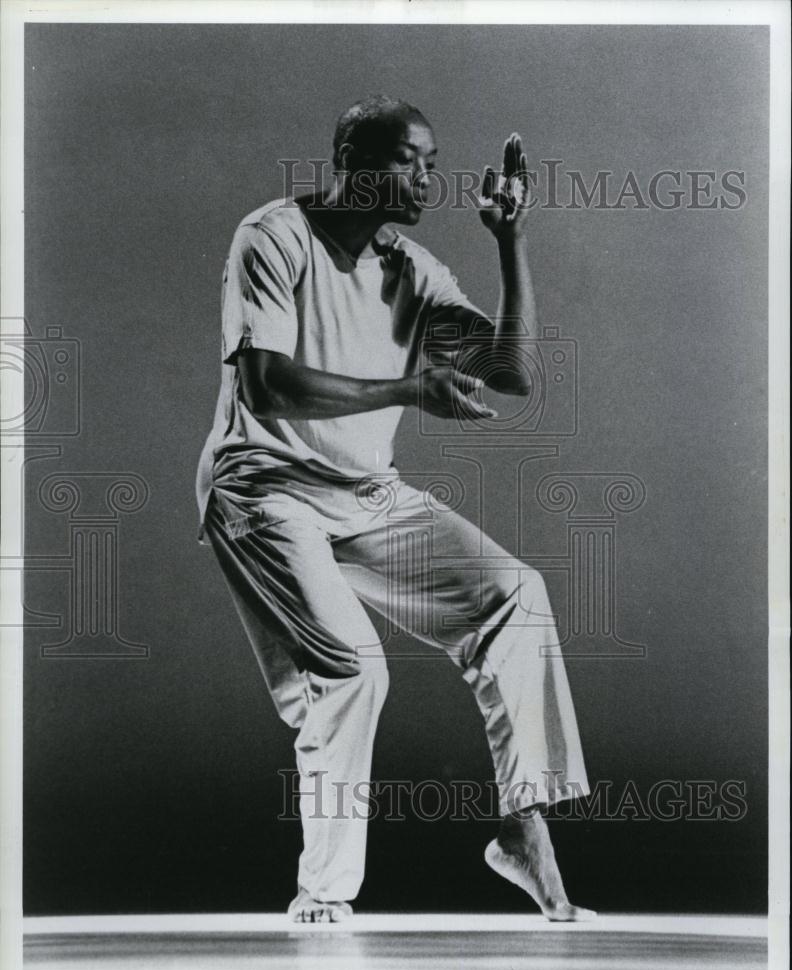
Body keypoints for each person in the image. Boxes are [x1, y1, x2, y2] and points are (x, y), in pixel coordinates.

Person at [195, 95, 596, 923]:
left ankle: (524, 833)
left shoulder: (412, 270)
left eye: (430, 162)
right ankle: (323, 891)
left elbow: (512, 372)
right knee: (352, 669)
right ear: (350, 159)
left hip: (363, 494)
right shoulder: (272, 237)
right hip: (261, 488)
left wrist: (511, 240)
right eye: (407, 159)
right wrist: (407, 388)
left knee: (515, 597)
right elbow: (265, 386)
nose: (425, 178)